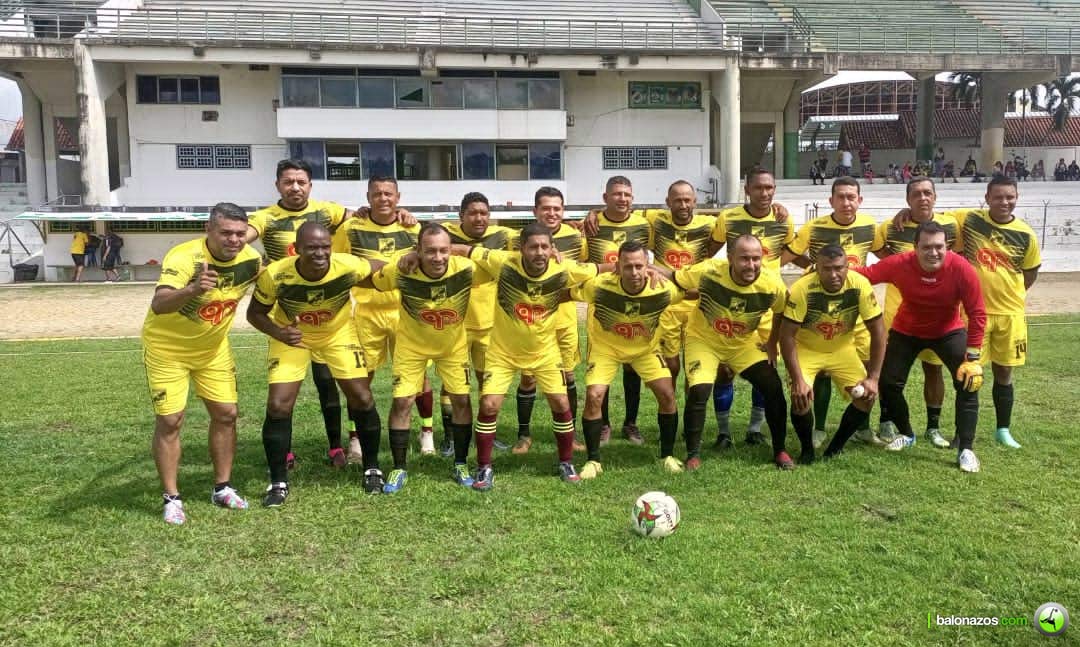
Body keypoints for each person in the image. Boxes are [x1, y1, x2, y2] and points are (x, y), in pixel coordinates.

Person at [141, 202, 263, 524]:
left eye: (239, 233)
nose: (234, 240)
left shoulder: (251, 261)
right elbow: (160, 303)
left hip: (213, 351)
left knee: (227, 415)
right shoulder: (184, 257)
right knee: (170, 421)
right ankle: (171, 498)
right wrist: (193, 289)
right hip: (168, 350)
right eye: (225, 232)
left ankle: (222, 487)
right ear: (208, 230)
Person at [247, 222, 385, 504]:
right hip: (292, 336)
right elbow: (255, 313)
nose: (320, 253)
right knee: (278, 405)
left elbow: (378, 265)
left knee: (361, 396)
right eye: (311, 247)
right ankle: (278, 482)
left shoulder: (346, 265)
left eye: (325, 247)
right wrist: (279, 332)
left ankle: (372, 468)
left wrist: (409, 260)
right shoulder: (276, 275)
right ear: (296, 249)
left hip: (338, 334)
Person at [460, 222, 605, 490]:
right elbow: (465, 250)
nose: (539, 252)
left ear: (552, 249)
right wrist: (416, 254)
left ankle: (566, 462)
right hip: (502, 353)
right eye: (533, 247)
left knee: (562, 404)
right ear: (520, 249)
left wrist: (649, 269)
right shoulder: (502, 262)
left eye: (544, 247)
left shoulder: (564, 268)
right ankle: (483, 467)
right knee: (489, 405)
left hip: (545, 352)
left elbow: (600, 268)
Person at [853, 221, 987, 473]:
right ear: (915, 247)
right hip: (907, 330)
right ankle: (907, 434)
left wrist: (973, 357)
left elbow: (977, 313)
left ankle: (966, 448)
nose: (933, 252)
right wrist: (831, 271)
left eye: (939, 247)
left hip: (948, 331)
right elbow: (865, 275)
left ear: (947, 246)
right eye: (926, 247)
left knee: (970, 381)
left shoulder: (961, 268)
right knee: (888, 383)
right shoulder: (900, 263)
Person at [246, 159, 353, 469]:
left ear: (310, 185)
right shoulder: (266, 218)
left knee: (326, 382)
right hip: (287, 318)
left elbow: (361, 219)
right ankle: (286, 452)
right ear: (278, 185)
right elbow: (242, 239)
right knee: (285, 391)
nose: (295, 187)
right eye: (288, 182)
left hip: (325, 314)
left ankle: (335, 447)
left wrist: (400, 215)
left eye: (301, 182)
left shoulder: (327, 211)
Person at [665, 235, 800, 470]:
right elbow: (675, 278)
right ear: (730, 258)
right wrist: (646, 269)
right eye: (744, 258)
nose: (751, 265)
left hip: (743, 344)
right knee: (699, 390)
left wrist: (771, 342)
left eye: (756, 259)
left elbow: (780, 312)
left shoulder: (772, 284)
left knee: (773, 386)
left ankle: (780, 451)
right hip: (704, 341)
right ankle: (693, 455)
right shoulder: (709, 271)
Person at [363, 223, 482, 492]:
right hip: (411, 347)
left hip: (452, 347)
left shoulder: (466, 269)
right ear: (418, 250)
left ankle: (461, 463)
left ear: (451, 250)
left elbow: (504, 263)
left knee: (461, 400)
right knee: (402, 402)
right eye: (430, 251)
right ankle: (399, 468)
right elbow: (366, 274)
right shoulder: (402, 271)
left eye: (443, 250)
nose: (438, 257)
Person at [782, 177, 885, 447]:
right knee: (823, 371)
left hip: (855, 309)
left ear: (859, 200)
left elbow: (887, 252)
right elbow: (789, 254)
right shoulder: (814, 227)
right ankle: (818, 428)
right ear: (831, 201)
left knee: (866, 374)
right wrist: (815, 267)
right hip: (820, 305)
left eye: (852, 197)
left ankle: (862, 428)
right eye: (841, 196)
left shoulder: (870, 227)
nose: (846, 202)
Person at [332, 176, 431, 456]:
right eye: (377, 194)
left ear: (398, 197)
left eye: (389, 193)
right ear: (368, 196)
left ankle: (427, 433)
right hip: (366, 314)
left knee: (418, 376)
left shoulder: (413, 227)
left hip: (406, 313)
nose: (383, 198)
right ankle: (355, 438)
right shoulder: (352, 228)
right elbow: (337, 264)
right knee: (360, 379)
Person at [571, 241, 682, 478]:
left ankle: (667, 455)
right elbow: (566, 289)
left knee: (667, 394)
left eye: (639, 266)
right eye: (627, 266)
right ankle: (593, 461)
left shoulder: (662, 288)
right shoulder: (599, 286)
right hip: (606, 349)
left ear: (648, 266)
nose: (633, 272)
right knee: (593, 396)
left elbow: (692, 292)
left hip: (645, 351)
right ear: (617, 267)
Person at [710, 169, 795, 447]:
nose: (765, 193)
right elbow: (709, 251)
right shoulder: (729, 218)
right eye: (758, 188)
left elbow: (793, 251)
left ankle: (755, 429)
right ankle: (724, 433)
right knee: (724, 370)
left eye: (770, 188)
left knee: (767, 370)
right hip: (732, 306)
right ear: (747, 190)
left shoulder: (783, 219)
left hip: (766, 306)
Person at [955, 177, 1041, 449]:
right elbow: (932, 215)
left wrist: (1008, 295)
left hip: (1010, 314)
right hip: (975, 313)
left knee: (1004, 372)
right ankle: (962, 433)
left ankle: (1002, 430)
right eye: (999, 197)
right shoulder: (970, 221)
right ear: (987, 197)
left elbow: (1030, 275)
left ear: (1017, 197)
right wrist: (902, 213)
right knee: (969, 372)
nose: (1004, 202)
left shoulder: (1026, 235)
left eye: (1010, 197)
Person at [875, 177, 961, 450]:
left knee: (933, 369)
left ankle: (933, 427)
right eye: (916, 194)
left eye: (927, 193)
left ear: (935, 197)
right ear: (907, 199)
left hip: (937, 315)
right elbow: (883, 257)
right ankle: (887, 420)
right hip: (898, 312)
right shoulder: (890, 227)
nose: (922, 198)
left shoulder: (952, 224)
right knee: (890, 371)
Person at [779, 244, 885, 462]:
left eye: (839, 268)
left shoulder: (860, 285)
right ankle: (807, 450)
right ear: (817, 267)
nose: (834, 274)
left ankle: (835, 447)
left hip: (841, 349)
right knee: (801, 398)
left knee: (866, 397)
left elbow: (879, 332)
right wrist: (798, 379)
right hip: (807, 350)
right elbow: (787, 336)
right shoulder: (802, 289)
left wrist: (873, 378)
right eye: (827, 268)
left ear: (848, 266)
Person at [514, 187, 589, 455]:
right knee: (528, 378)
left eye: (557, 208)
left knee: (568, 375)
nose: (552, 213)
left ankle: (572, 431)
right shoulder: (519, 240)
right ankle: (523, 435)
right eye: (546, 208)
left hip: (565, 317)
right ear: (535, 211)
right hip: (532, 320)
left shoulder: (575, 236)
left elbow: (584, 270)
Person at [441, 192, 517, 456]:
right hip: (456, 322)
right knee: (451, 383)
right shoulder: (444, 234)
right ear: (461, 215)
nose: (479, 218)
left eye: (484, 213)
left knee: (488, 381)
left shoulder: (503, 236)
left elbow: (536, 239)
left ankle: (488, 432)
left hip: (490, 321)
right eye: (472, 213)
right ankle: (450, 437)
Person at [581, 176, 653, 445]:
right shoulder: (592, 225)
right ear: (605, 198)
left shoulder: (645, 224)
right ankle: (604, 424)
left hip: (636, 305)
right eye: (616, 194)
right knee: (603, 368)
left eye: (627, 194)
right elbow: (583, 260)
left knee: (633, 365)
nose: (622, 199)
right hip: (603, 306)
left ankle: (631, 424)